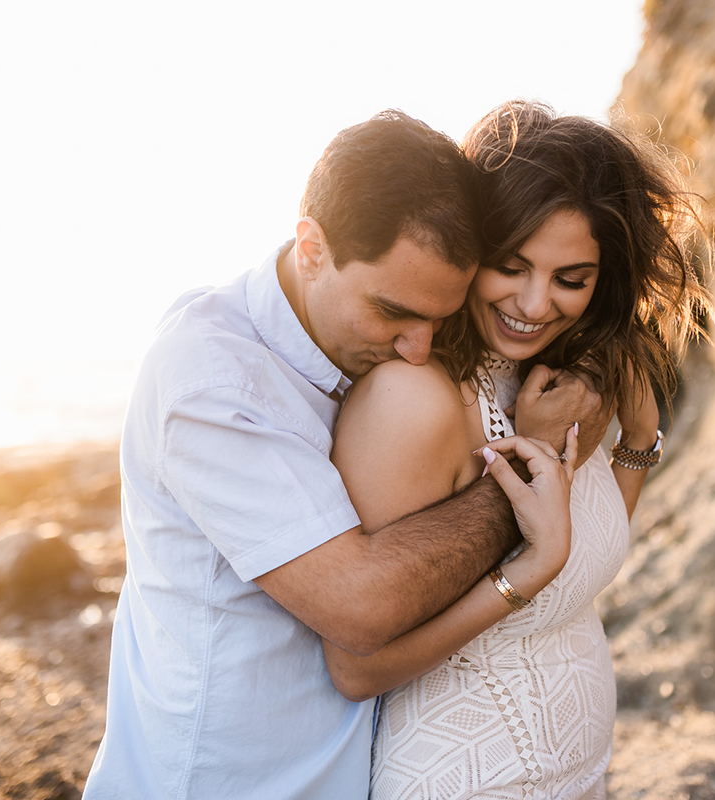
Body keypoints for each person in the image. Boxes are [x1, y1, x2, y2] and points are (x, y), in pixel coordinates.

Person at [87, 110, 592, 798]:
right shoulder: (212, 381)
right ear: (311, 248)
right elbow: (360, 610)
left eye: (438, 320)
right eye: (394, 313)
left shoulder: (362, 345)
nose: (418, 347)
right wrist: (523, 480)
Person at [318, 100, 711, 798]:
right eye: (511, 266)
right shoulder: (414, 403)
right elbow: (358, 667)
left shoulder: (555, 385)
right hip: (472, 779)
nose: (534, 304)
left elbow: (579, 563)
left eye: (571, 279)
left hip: (577, 773)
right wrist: (520, 569)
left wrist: (638, 441)